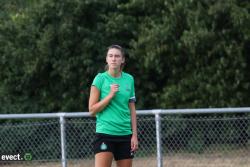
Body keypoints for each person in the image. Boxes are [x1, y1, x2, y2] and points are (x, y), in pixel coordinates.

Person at [88, 44, 138, 167]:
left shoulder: (129, 79)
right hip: (105, 134)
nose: (113, 59)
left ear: (123, 60)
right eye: (110, 56)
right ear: (106, 59)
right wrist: (110, 96)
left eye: (117, 56)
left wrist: (134, 135)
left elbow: (132, 109)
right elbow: (92, 110)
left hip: (125, 135)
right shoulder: (100, 79)